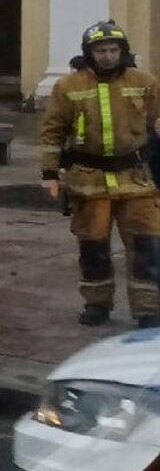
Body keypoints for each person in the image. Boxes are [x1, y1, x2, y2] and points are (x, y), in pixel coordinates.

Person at [40, 20, 160, 327]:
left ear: (123, 51)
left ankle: (148, 309)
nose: (107, 55)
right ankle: (96, 304)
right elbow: (53, 131)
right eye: (100, 50)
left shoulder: (145, 82)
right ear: (89, 53)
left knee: (146, 247)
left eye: (113, 49)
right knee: (93, 248)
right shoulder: (68, 86)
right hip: (88, 180)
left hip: (136, 180)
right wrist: (50, 174)